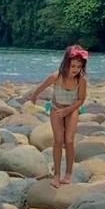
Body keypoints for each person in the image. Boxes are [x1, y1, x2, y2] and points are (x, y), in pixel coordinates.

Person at [29, 44, 88, 187]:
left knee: (68, 141)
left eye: (78, 67)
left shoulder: (81, 80)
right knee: (58, 140)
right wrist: (34, 97)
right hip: (56, 108)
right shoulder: (56, 76)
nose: (75, 70)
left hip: (72, 109)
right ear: (66, 63)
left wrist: (68, 111)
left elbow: (81, 100)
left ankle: (68, 173)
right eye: (72, 66)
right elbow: (41, 87)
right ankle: (56, 175)